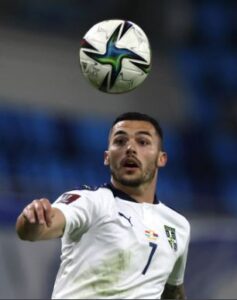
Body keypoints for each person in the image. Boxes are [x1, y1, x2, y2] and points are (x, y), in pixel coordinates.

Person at [16, 112, 190, 299]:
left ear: (161, 158)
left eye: (143, 142)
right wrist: (33, 219)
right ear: (107, 157)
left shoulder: (178, 226)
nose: (130, 148)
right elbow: (33, 230)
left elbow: (173, 291)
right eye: (120, 141)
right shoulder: (90, 202)